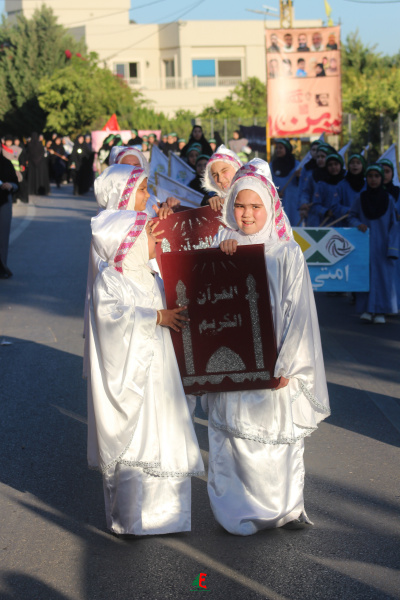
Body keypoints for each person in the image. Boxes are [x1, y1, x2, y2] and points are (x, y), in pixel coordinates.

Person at [205, 160, 330, 535]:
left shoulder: (286, 252)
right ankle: (238, 510)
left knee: (277, 435)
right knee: (237, 435)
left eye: (255, 206)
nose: (246, 214)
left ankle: (286, 508)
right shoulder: (221, 246)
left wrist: (287, 364)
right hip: (235, 361)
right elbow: (204, 301)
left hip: (275, 359)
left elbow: (299, 313)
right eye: (240, 206)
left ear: (270, 207)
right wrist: (220, 257)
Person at [89, 208, 204, 535]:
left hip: (162, 374)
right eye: (149, 235)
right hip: (132, 379)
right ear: (131, 241)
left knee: (166, 433)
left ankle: (169, 516)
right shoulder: (111, 280)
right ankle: (133, 520)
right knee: (138, 440)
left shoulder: (152, 276)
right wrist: (155, 317)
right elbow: (111, 321)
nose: (155, 239)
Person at [348, 164, 398, 323]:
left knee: (384, 279)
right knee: (366, 277)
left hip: (384, 247)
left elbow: (394, 225)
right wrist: (358, 224)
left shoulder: (388, 199)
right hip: (365, 246)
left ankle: (381, 311)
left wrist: (392, 248)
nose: (373, 179)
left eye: (377, 176)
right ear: (366, 178)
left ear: (381, 178)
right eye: (370, 176)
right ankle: (367, 310)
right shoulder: (361, 198)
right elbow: (351, 216)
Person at [299, 143, 335, 225]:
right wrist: (304, 203)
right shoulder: (313, 175)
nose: (320, 159)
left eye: (323, 157)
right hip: (314, 216)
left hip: (331, 217)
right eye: (318, 157)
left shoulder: (337, 176)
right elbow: (306, 192)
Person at [201, 144, 242, 211]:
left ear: (237, 169)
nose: (220, 179)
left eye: (224, 171)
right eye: (215, 175)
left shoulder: (252, 192)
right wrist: (209, 202)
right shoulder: (213, 196)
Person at [270, 139, 300, 226]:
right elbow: (268, 182)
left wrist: (299, 176)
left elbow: (302, 184)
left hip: (293, 203)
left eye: (281, 148)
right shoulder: (272, 165)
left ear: (287, 149)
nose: (278, 150)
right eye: (277, 148)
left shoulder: (297, 165)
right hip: (278, 202)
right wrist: (274, 193)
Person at [310, 153, 345, 226]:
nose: (333, 167)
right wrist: (325, 211)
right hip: (327, 224)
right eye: (330, 165)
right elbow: (315, 205)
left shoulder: (346, 183)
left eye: (336, 164)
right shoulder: (322, 184)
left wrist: (344, 210)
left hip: (344, 223)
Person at [0, 152, 18, 278]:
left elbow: (16, 183)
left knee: (2, 237)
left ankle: (2, 267)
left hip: (3, 202)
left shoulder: (6, 163)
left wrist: (11, 185)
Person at [334, 153, 366, 225]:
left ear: (363, 166)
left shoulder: (368, 185)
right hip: (345, 225)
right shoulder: (341, 185)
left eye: (358, 163)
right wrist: (348, 210)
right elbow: (335, 206)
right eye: (352, 163)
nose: (355, 165)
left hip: (364, 225)